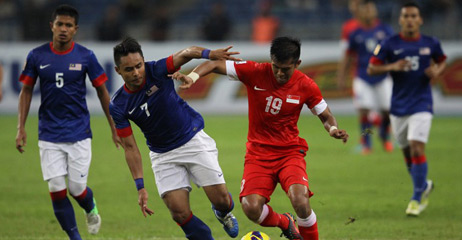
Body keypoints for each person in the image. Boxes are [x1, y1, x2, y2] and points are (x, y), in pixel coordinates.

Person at [172, 36, 349, 240]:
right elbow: (214, 64)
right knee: (251, 208)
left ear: (297, 64)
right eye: (276, 67)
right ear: (270, 60)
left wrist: (333, 129)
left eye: (286, 69)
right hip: (258, 154)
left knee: (300, 200)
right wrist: (193, 77)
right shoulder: (255, 72)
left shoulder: (306, 85)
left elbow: (326, 116)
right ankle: (285, 222)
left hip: (289, 153)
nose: (280, 73)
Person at [109, 37, 241, 239]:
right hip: (163, 154)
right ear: (118, 71)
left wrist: (210, 54)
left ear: (144, 62)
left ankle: (222, 213)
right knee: (179, 213)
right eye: (129, 69)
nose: (136, 73)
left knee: (222, 200)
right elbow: (130, 147)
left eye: (139, 66)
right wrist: (140, 187)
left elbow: (187, 52)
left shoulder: (157, 70)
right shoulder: (118, 105)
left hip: (192, 140)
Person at [15, 4, 121, 240]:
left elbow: (103, 92)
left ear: (76, 30)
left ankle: (90, 205)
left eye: (68, 25)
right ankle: (75, 237)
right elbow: (26, 91)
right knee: (55, 187)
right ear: (51, 26)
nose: (63, 29)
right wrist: (21, 127)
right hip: (49, 133)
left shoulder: (86, 56)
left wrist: (114, 126)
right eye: (59, 24)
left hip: (79, 133)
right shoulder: (36, 56)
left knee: (76, 190)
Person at [367, 2, 446, 216]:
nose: (410, 19)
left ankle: (416, 198)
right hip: (398, 106)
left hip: (422, 103)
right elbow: (372, 68)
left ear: (420, 20)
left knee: (417, 146)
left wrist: (436, 70)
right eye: (406, 16)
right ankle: (424, 185)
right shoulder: (388, 44)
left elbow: (442, 60)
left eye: (413, 16)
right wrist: (392, 66)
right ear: (400, 20)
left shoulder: (431, 43)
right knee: (407, 152)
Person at [336, 0, 394, 154]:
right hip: (362, 76)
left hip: (382, 76)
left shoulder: (385, 30)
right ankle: (366, 141)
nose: (369, 12)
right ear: (360, 13)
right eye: (366, 9)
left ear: (375, 11)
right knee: (364, 111)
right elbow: (348, 56)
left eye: (371, 9)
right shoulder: (355, 33)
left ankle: (384, 135)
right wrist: (341, 76)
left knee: (387, 111)